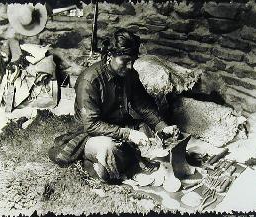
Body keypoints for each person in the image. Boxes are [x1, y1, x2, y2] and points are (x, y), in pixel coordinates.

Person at [49, 28, 180, 183]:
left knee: (148, 130)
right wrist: (128, 134)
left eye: (132, 61)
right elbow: (91, 125)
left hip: (119, 125)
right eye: (125, 61)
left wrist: (162, 127)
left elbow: (144, 106)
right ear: (110, 56)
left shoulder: (129, 75)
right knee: (109, 148)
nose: (130, 66)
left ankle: (119, 161)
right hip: (92, 133)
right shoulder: (89, 80)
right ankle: (95, 163)